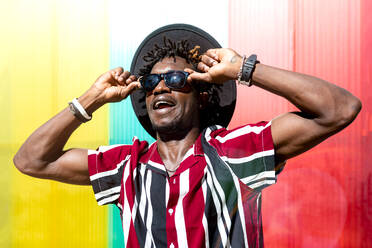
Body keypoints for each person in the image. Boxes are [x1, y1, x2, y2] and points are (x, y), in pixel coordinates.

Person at [13, 24, 361, 247]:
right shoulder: (126, 167)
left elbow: (340, 109)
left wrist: (243, 68)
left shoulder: (236, 151)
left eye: (177, 80)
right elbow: (31, 160)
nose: (160, 86)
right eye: (150, 82)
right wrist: (90, 99)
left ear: (203, 96)